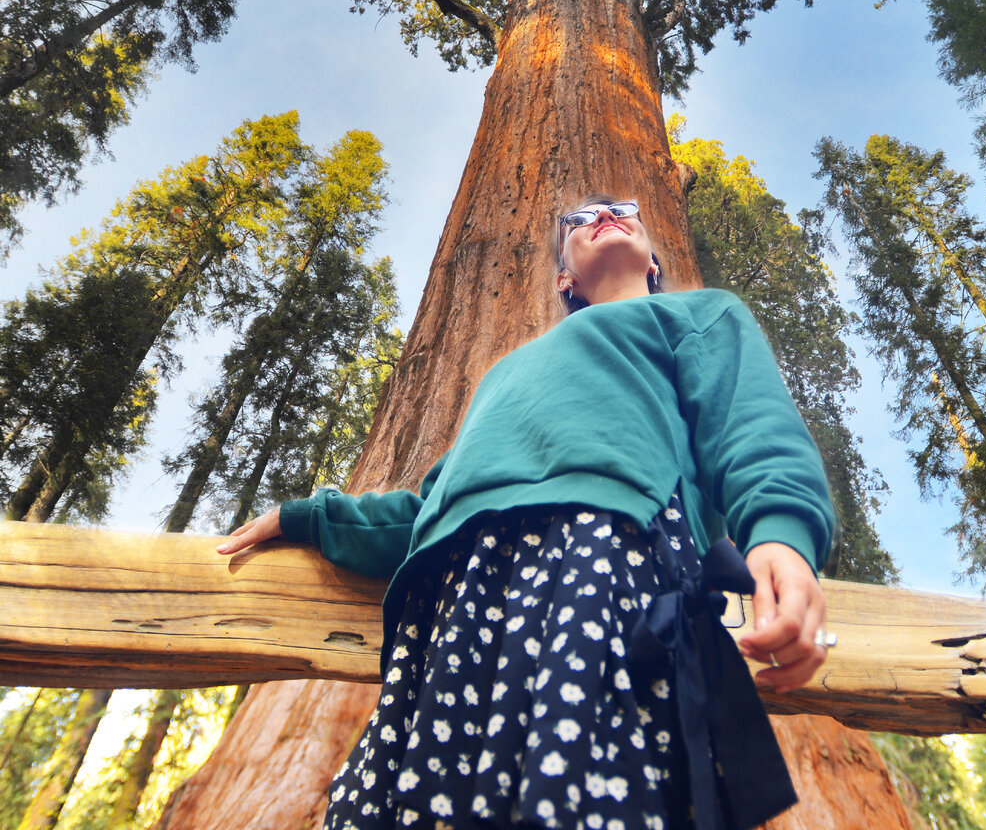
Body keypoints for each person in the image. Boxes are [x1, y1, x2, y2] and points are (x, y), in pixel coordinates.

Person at [219, 196, 836, 830]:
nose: (604, 216)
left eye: (624, 209)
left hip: (605, 565)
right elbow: (432, 509)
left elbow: (753, 426)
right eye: (580, 218)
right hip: (456, 604)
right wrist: (308, 518)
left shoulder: (699, 316)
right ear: (564, 279)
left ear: (653, 261)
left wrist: (782, 536)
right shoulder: (504, 374)